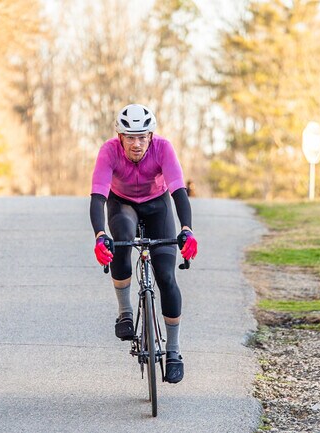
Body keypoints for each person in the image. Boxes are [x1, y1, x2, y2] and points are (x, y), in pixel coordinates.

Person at [90, 104, 198, 384]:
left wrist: (186, 229)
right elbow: (98, 198)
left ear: (151, 135)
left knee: (166, 276)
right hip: (122, 204)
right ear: (119, 136)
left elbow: (178, 191)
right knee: (122, 243)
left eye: (142, 136)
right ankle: (125, 313)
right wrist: (100, 235)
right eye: (129, 137)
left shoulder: (163, 148)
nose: (136, 144)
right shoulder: (108, 152)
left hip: (157, 205)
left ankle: (173, 351)